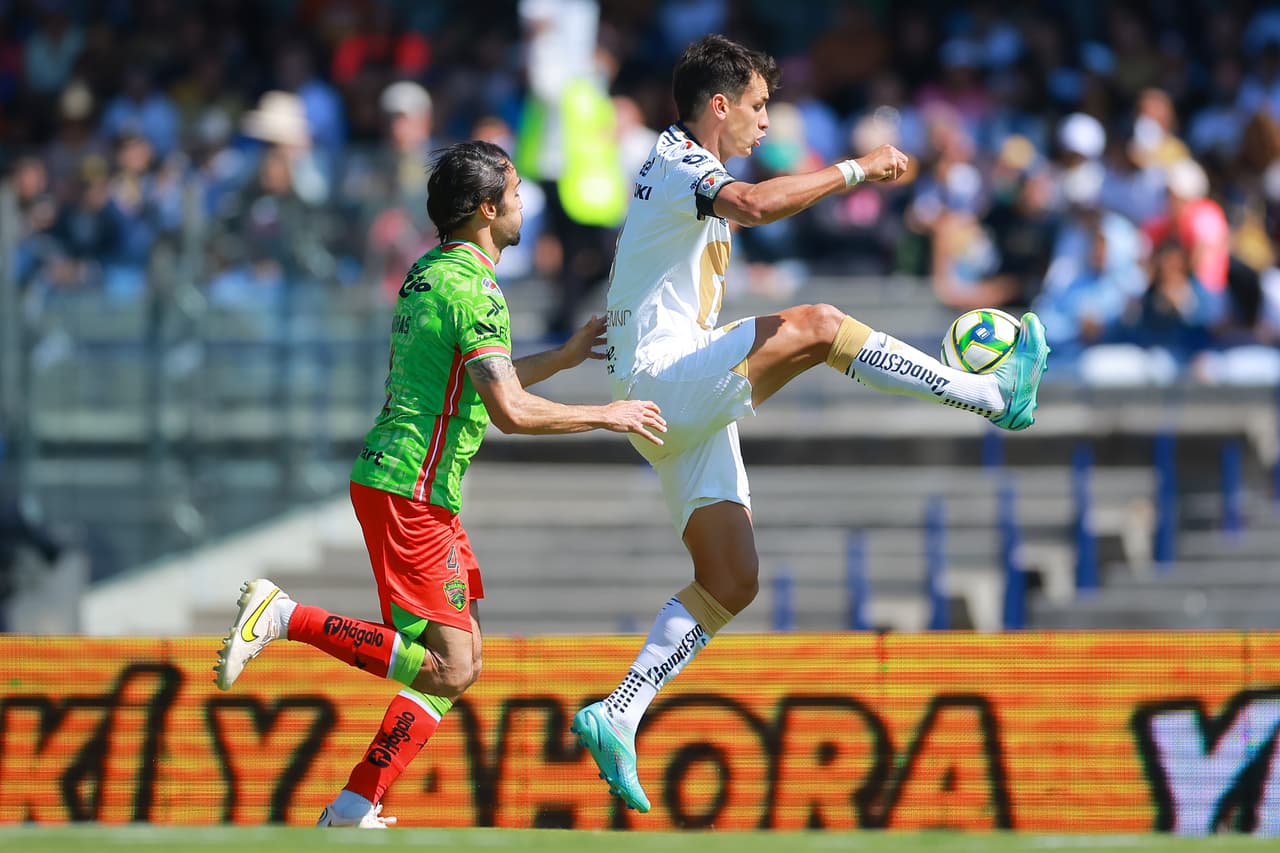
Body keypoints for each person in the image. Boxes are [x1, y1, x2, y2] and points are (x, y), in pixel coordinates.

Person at [570, 34, 1049, 813]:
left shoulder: (675, 168)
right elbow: (756, 206)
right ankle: (991, 397)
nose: (766, 122)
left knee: (732, 580)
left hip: (662, 398)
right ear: (718, 106)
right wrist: (856, 169)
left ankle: (618, 710)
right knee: (819, 323)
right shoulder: (685, 162)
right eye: (758, 106)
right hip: (665, 380)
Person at [213, 140, 666, 829]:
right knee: (451, 666)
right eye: (515, 194)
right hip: (410, 490)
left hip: (412, 485)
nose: (523, 205)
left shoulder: (431, 271)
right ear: (488, 210)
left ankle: (356, 802)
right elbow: (509, 411)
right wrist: (606, 412)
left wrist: (567, 356)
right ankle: (283, 616)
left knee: (461, 661)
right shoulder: (475, 288)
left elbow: (482, 385)